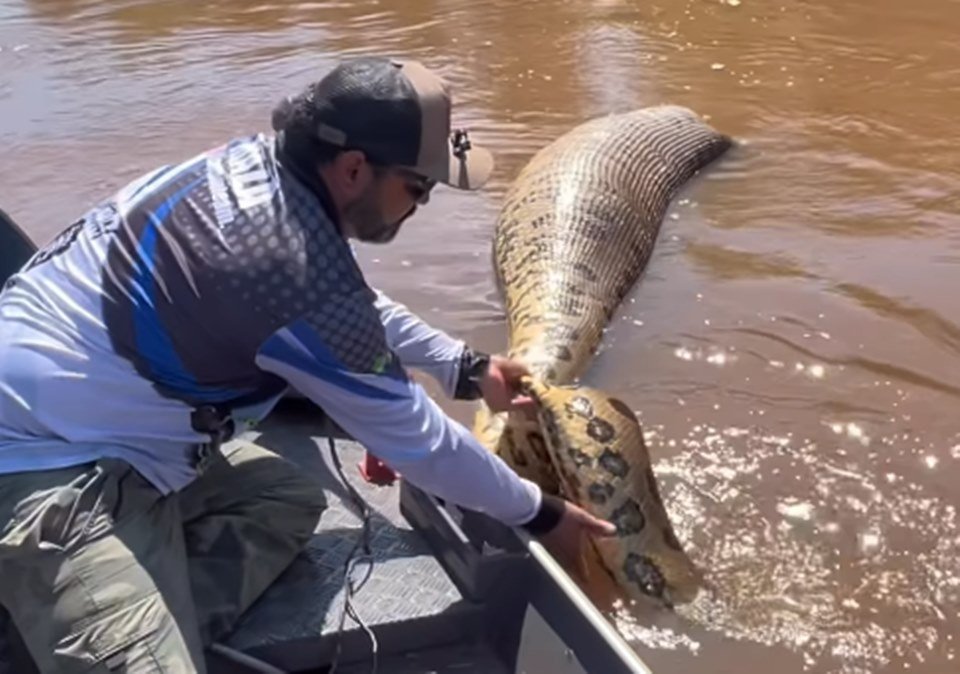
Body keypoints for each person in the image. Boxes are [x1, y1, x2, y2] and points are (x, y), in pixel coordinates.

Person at [0, 56, 615, 673]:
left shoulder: (248, 169)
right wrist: (542, 514)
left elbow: (343, 306)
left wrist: (465, 365)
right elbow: (420, 444)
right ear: (353, 169)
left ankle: (108, 623)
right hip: (44, 468)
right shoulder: (290, 272)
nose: (419, 207)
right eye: (418, 188)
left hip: (90, 415)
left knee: (282, 499)